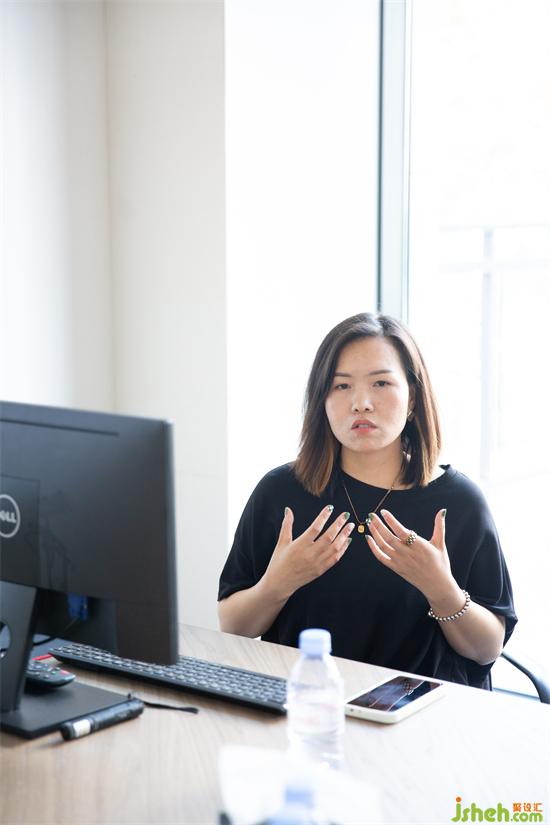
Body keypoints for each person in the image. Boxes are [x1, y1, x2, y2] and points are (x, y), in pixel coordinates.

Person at [217, 313, 516, 689]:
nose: (361, 403)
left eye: (381, 383)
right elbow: (233, 627)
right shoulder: (280, 492)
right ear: (322, 400)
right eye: (342, 386)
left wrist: (442, 590)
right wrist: (278, 583)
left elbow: (487, 649)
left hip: (420, 713)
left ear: (412, 398)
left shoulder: (459, 502)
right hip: (306, 703)